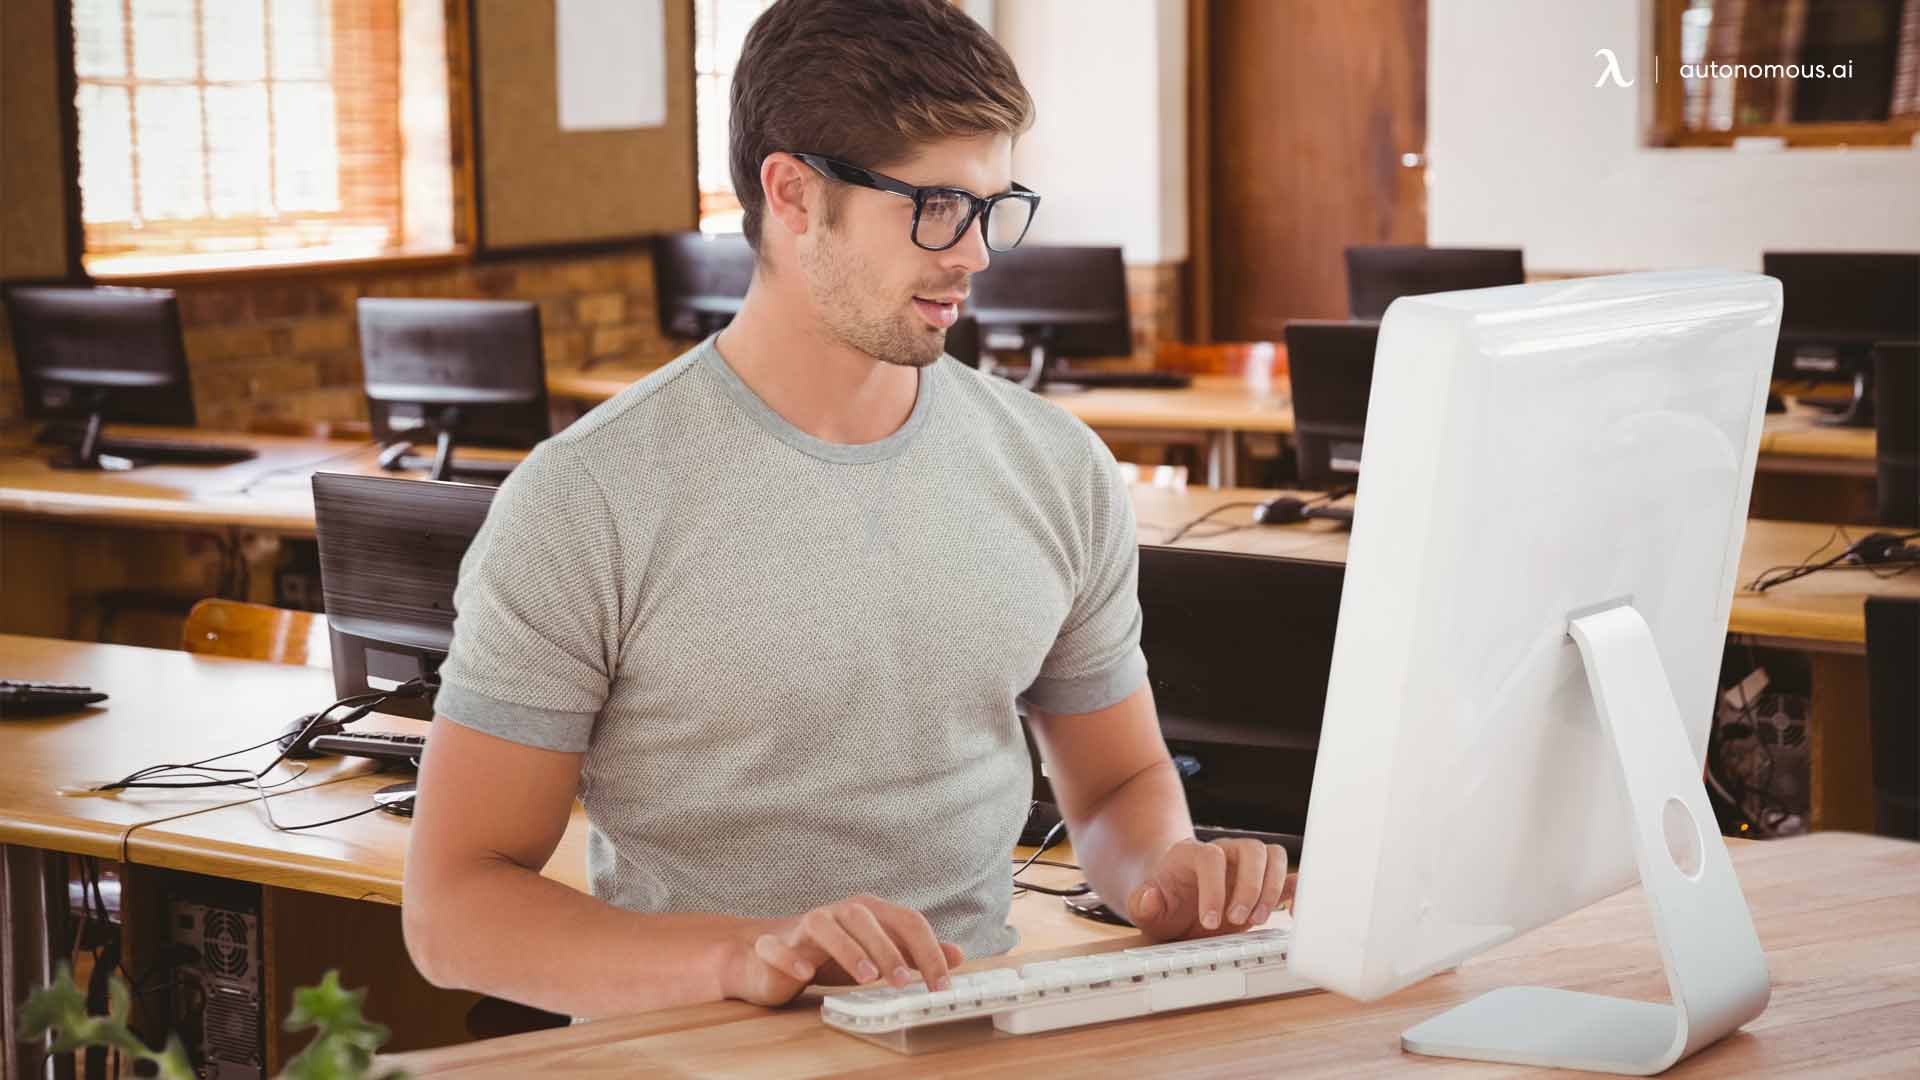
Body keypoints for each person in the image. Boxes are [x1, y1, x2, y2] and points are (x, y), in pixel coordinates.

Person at [402, 0, 1290, 1019]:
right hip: (702, 1049)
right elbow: (454, 912)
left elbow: (1121, 782)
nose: (977, 255)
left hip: (969, 1034)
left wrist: (1161, 876)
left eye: (994, 206)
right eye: (937, 207)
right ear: (794, 193)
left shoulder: (1058, 467)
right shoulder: (588, 498)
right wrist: (746, 957)